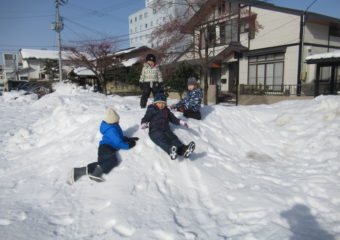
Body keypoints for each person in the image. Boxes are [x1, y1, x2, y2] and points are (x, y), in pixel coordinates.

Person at [70, 108, 138, 183]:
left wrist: (128, 139)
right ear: (113, 121)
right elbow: (118, 143)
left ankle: (78, 171)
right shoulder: (112, 129)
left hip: (105, 148)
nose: (118, 121)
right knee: (112, 161)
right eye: (117, 120)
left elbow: (118, 137)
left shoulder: (114, 126)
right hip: (106, 148)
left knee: (102, 163)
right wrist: (129, 145)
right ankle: (96, 174)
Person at [141, 92, 195, 160]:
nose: (161, 105)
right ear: (155, 103)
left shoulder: (166, 110)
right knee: (162, 139)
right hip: (155, 130)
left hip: (166, 129)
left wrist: (181, 122)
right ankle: (170, 150)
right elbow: (146, 117)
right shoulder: (152, 109)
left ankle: (183, 150)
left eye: (163, 103)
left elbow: (173, 118)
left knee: (173, 138)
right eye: (159, 103)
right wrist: (143, 123)